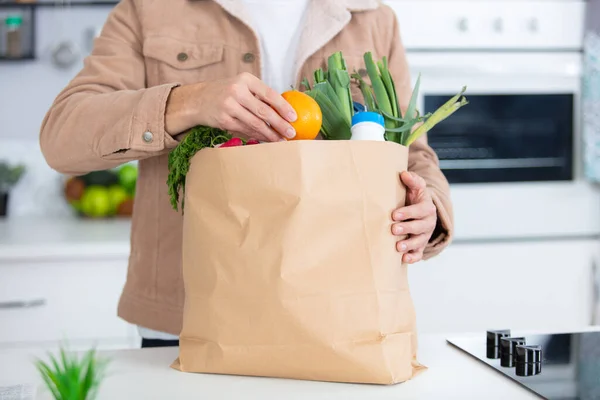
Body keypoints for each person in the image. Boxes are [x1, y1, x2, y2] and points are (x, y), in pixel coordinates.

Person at [39, 0, 454, 348]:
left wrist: (429, 208)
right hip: (188, 314)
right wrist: (187, 102)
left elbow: (413, 153)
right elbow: (61, 136)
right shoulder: (151, 8)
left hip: (337, 311)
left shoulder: (370, 16)